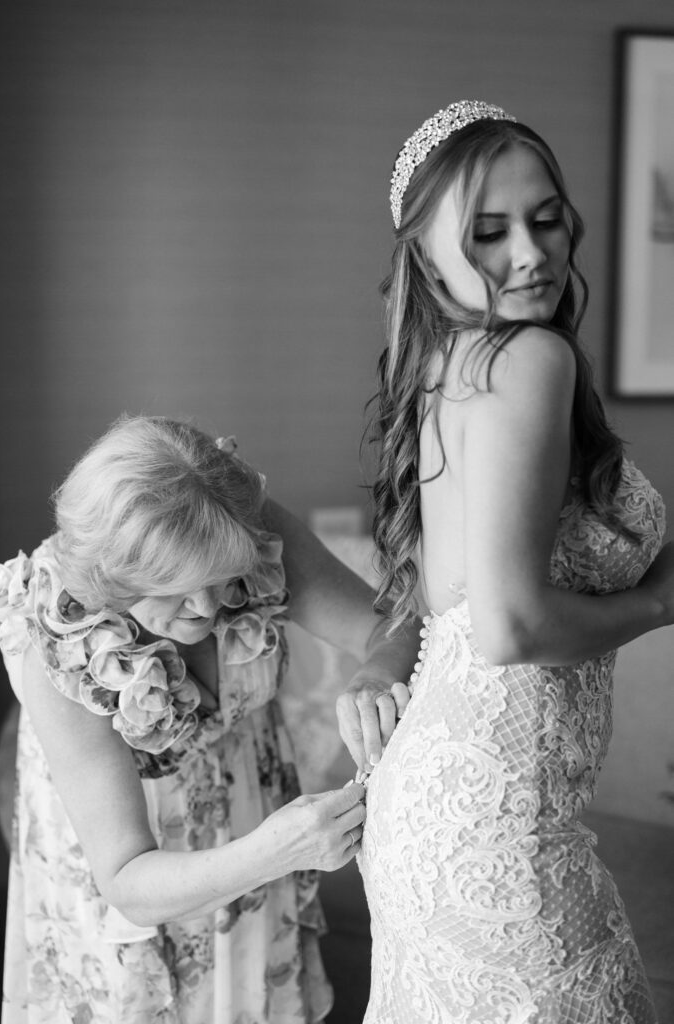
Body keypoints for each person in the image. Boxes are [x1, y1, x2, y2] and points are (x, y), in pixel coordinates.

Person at [358, 100, 674, 1023]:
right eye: (488, 233)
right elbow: (506, 625)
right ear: (423, 253)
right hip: (497, 823)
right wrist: (656, 602)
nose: (531, 253)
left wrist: (380, 659)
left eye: (545, 218)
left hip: (432, 808)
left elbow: (436, 589)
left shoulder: (442, 363)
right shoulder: (530, 359)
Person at [0, 414, 417, 1024]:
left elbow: (392, 627)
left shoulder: (239, 529)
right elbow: (125, 880)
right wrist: (274, 851)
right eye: (177, 591)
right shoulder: (59, 649)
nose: (210, 607)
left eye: (221, 580)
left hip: (256, 843)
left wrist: (375, 674)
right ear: (110, 578)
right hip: (141, 896)